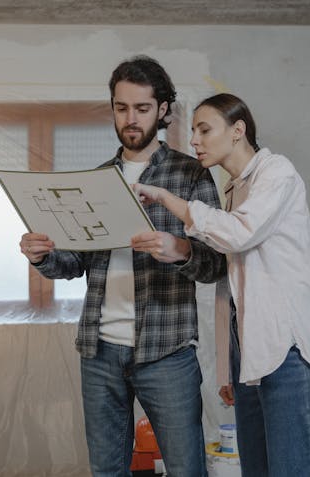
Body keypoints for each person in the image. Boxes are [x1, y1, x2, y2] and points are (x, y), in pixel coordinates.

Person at [19, 55, 226, 477]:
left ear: (163, 110)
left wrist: (180, 249)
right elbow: (77, 261)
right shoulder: (96, 178)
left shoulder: (190, 175)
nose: (131, 119)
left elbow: (216, 264)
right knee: (107, 470)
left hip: (166, 351)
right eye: (121, 107)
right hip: (99, 351)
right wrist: (43, 256)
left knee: (187, 469)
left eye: (142, 108)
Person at [132, 93, 310, 477]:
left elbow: (239, 234)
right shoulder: (234, 190)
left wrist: (165, 198)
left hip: (291, 352)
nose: (194, 141)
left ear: (238, 130)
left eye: (204, 130)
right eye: (193, 131)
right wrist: (228, 368)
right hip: (253, 357)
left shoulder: (277, 173)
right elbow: (231, 287)